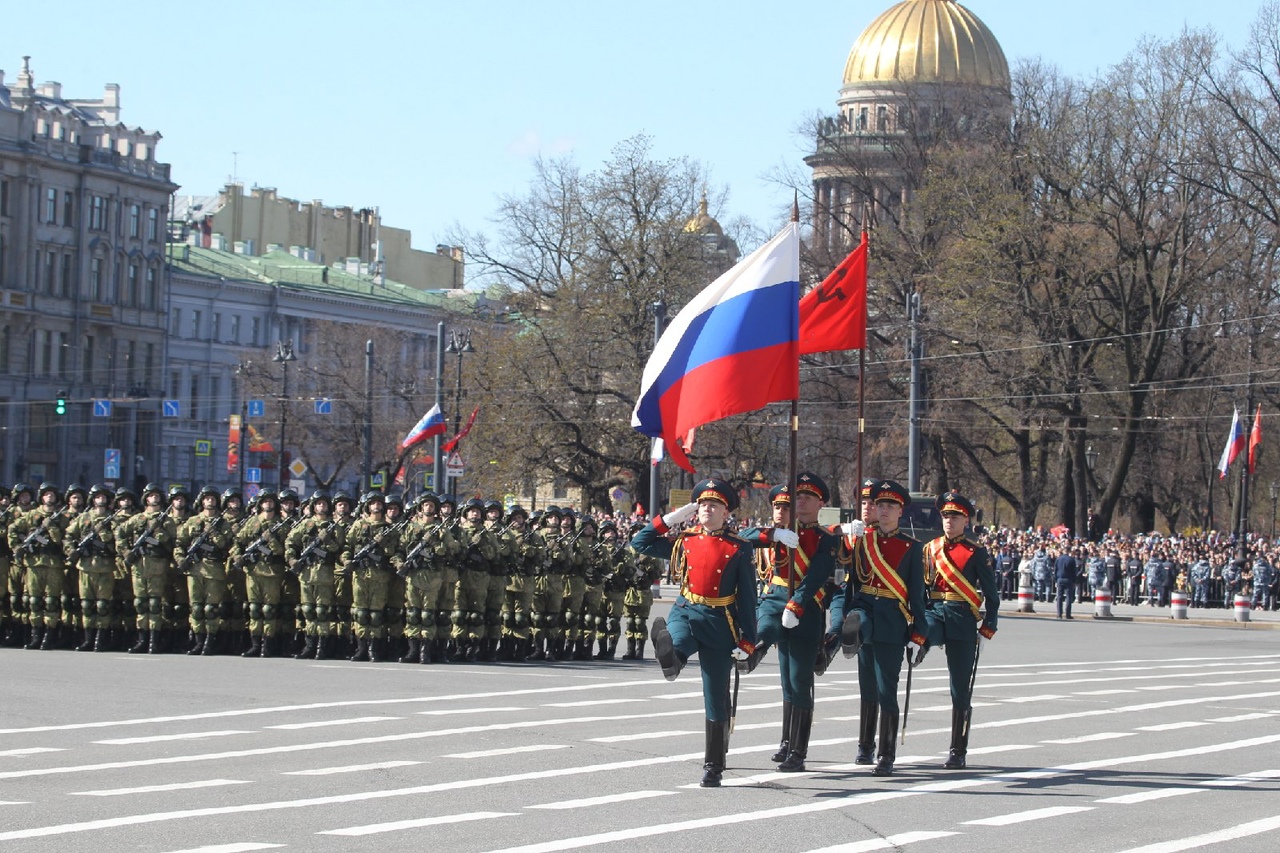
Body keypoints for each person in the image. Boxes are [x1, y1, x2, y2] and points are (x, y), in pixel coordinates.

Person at [634, 478, 757, 788]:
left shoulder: (739, 547)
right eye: (702, 504)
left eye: (713, 504)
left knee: (716, 695)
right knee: (675, 640)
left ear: (726, 511)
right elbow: (641, 542)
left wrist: (748, 639)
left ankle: (714, 764)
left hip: (721, 620)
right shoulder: (684, 539)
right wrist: (670, 519)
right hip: (686, 610)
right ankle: (671, 659)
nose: (706, 509)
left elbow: (747, 598)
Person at [740, 473, 837, 772]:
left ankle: (797, 748)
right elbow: (742, 538)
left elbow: (818, 575)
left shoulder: (825, 537)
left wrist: (796, 606)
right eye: (798, 497)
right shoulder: (775, 534)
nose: (800, 502)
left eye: (806, 498)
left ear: (819, 503)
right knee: (766, 629)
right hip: (775, 597)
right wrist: (774, 535)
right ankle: (754, 650)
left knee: (797, 681)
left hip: (807, 607)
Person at [831, 479, 927, 777]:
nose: (883, 510)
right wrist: (845, 534)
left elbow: (916, 594)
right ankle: (864, 745)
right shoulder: (862, 538)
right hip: (864, 610)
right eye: (879, 505)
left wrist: (918, 633)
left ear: (901, 512)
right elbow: (839, 558)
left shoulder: (912, 548)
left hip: (891, 621)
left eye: (890, 506)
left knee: (886, 691)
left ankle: (886, 753)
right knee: (866, 688)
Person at [922, 492, 998, 769]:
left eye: (954, 516)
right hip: (934, 613)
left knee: (960, 688)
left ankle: (958, 749)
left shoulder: (976, 553)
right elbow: (921, 588)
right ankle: (919, 647)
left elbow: (991, 593)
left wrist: (989, 626)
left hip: (962, 619)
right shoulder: (930, 549)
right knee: (923, 635)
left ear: (965, 520)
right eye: (945, 515)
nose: (948, 520)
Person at [1054, 545, 1079, 619]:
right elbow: (1074, 572)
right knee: (1068, 597)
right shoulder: (1071, 560)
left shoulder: (1058, 559)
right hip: (1069, 580)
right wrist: (1074, 581)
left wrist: (1056, 580)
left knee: (1059, 597)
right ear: (1069, 551)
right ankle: (1068, 614)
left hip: (1060, 579)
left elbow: (1055, 571)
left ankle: (1059, 614)